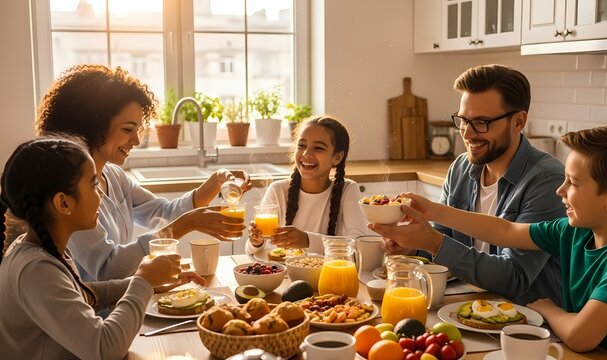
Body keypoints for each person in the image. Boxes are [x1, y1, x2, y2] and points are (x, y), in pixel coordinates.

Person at [374, 125, 607, 359]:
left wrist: (548, 309)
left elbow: (580, 336)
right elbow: (507, 231)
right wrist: (434, 210)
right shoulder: (575, 230)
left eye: (572, 183)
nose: (560, 190)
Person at [374, 64, 565, 305]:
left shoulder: (547, 181)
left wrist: (431, 242)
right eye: (464, 120)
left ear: (518, 121)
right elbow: (441, 239)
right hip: (469, 306)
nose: (468, 134)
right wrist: (409, 245)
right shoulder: (462, 167)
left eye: (482, 122)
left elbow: (514, 279)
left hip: (529, 325)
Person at [35, 64, 248, 281]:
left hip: (121, 302)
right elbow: (107, 267)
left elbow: (162, 214)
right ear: (93, 125)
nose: (136, 140)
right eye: (127, 129)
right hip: (94, 312)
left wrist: (213, 184)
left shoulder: (114, 176)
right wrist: (188, 223)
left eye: (137, 130)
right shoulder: (68, 191)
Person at [0, 137, 205, 358]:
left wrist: (150, 283)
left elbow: (84, 296)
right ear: (63, 203)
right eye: (93, 185)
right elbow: (104, 349)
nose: (101, 195)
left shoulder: (43, 251)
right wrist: (142, 282)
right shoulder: (36, 271)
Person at [245, 115, 368, 255]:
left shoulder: (348, 190)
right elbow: (251, 250)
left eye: (318, 148)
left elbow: (358, 245)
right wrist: (256, 241)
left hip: (327, 274)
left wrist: (308, 240)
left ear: (337, 157)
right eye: (301, 145)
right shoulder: (278, 190)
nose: (306, 153)